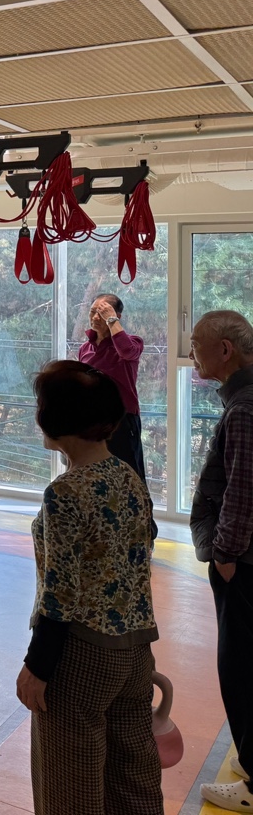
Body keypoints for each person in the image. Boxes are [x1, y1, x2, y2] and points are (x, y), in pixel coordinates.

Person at [16, 360, 160, 815]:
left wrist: (37, 665)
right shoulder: (129, 478)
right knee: (133, 784)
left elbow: (60, 592)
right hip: (136, 652)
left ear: (54, 419)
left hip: (81, 657)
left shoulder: (65, 492)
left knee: (69, 791)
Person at [190, 310, 253, 811]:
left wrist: (226, 554)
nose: (191, 353)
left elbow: (242, 491)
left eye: (196, 344)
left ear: (225, 351)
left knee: (241, 665)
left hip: (244, 563)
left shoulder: (244, 408)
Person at [78, 293, 147, 481]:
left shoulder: (133, 342)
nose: (95, 317)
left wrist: (111, 320)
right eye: (92, 312)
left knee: (128, 473)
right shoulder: (85, 348)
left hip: (122, 419)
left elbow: (127, 351)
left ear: (117, 316)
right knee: (93, 473)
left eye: (102, 313)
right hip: (92, 418)